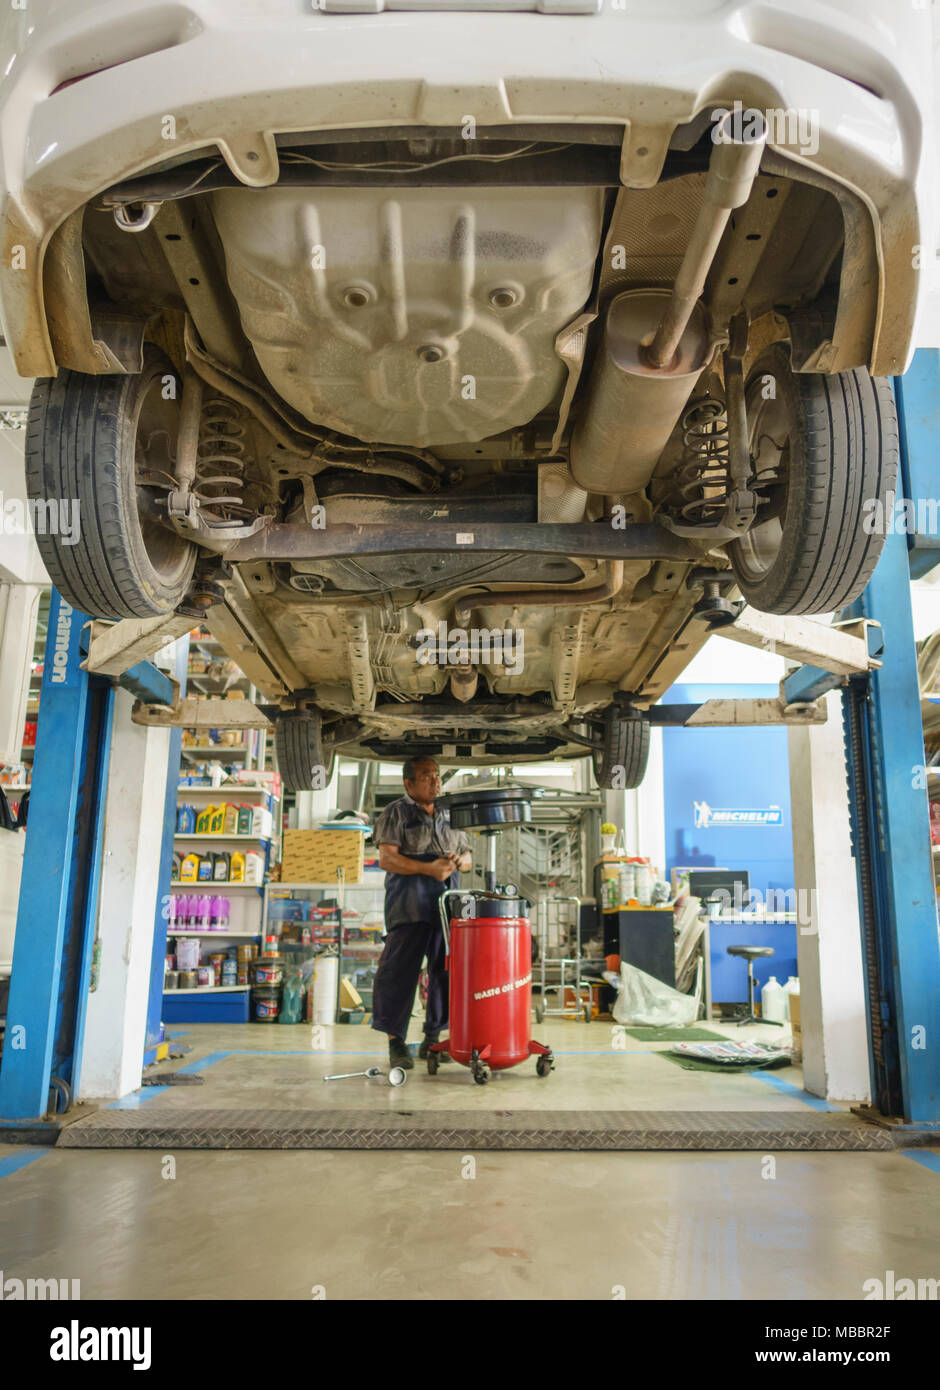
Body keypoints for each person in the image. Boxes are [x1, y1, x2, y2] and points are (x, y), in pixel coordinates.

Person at [371, 757, 472, 1069]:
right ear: (408, 783)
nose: (435, 782)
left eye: (438, 776)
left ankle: (434, 1039)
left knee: (445, 972)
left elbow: (469, 858)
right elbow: (387, 859)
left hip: (445, 905)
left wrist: (458, 861)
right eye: (427, 777)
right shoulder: (396, 812)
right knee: (398, 973)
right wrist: (429, 869)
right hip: (408, 904)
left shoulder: (450, 812)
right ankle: (396, 1043)